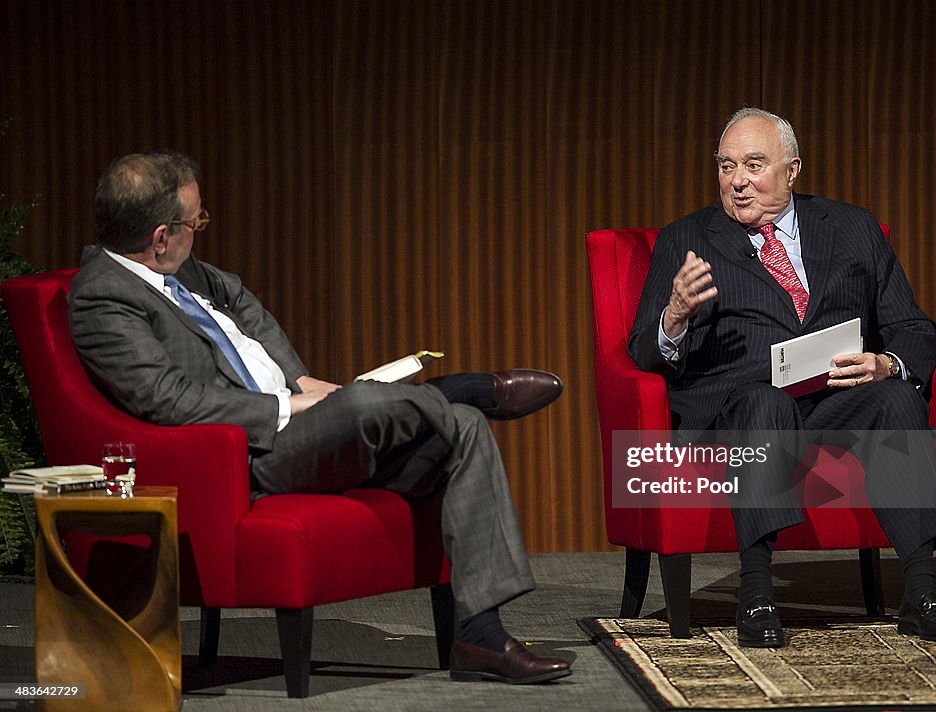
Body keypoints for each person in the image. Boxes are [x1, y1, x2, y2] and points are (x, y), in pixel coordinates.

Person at [68, 150, 572, 684]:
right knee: (370, 402)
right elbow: (167, 400)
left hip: (302, 428)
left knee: (464, 429)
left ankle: (480, 636)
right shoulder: (105, 295)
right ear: (161, 235)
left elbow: (240, 302)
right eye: (197, 222)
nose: (202, 230)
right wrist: (290, 404)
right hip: (249, 455)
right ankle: (458, 389)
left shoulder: (180, 267)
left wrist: (301, 381)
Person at [628, 107, 936, 648]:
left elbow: (912, 325)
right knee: (764, 405)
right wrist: (673, 317)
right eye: (726, 165)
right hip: (741, 407)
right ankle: (757, 596)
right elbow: (641, 353)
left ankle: (921, 591)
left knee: (896, 397)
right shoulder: (687, 238)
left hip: (833, 399)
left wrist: (886, 363)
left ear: (792, 170)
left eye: (754, 165)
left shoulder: (853, 227)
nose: (737, 180)